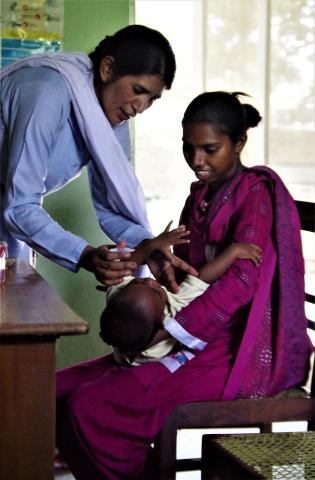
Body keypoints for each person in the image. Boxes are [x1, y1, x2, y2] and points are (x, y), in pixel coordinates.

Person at [56, 91, 311, 480]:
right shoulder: (201, 196)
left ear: (239, 143)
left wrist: (172, 328)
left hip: (231, 346)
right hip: (187, 330)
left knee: (91, 408)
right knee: (55, 390)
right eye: (188, 148)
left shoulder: (256, 194)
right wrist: (154, 269)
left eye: (210, 149)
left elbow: (243, 280)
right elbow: (189, 269)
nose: (197, 161)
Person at [0, 24, 191, 290]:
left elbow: (113, 207)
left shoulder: (111, 118)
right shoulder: (46, 90)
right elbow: (19, 207)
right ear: (107, 69)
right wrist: (86, 255)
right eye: (138, 90)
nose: (141, 107)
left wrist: (148, 246)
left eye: (152, 99)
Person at [100, 228, 262, 365]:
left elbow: (125, 269)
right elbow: (202, 277)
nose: (150, 281)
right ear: (164, 319)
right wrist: (233, 252)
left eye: (137, 282)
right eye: (156, 290)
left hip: (124, 347)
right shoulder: (175, 310)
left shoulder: (119, 300)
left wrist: (152, 245)